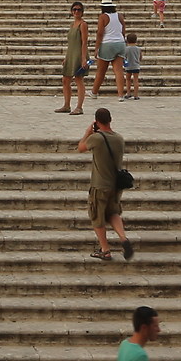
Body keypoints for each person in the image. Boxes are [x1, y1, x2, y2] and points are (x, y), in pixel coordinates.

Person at [76, 108, 132, 260]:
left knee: (97, 216)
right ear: (110, 119)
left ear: (97, 121)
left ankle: (105, 249)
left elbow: (80, 148)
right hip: (115, 185)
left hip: (100, 185)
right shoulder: (119, 138)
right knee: (113, 212)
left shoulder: (97, 138)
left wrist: (88, 132)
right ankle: (123, 239)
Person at [93, 0, 128, 100]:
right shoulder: (120, 16)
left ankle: (94, 91)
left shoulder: (103, 17)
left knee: (101, 70)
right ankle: (121, 94)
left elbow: (100, 33)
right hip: (120, 43)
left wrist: (97, 47)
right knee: (118, 70)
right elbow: (123, 30)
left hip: (107, 44)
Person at [61, 1, 92, 116]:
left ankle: (79, 107)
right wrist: (66, 57)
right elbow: (70, 42)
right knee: (65, 79)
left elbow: (84, 42)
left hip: (79, 54)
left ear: (82, 12)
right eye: (74, 9)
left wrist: (84, 58)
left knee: (79, 80)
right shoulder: (72, 24)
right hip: (71, 54)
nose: (76, 12)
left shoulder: (83, 24)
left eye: (79, 10)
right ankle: (66, 105)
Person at [121, 31, 145, 98]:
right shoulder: (138, 49)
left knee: (128, 79)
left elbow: (123, 57)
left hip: (128, 66)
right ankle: (136, 95)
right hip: (136, 65)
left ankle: (128, 93)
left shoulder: (126, 49)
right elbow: (140, 57)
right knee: (136, 80)